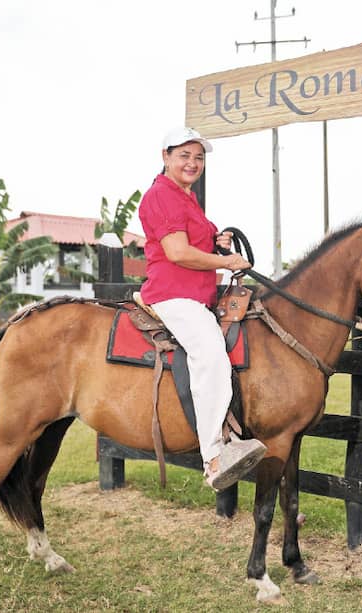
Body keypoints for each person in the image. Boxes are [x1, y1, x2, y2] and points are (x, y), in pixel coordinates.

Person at [138, 126, 266, 491]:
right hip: (173, 294)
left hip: (197, 294)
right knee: (210, 355)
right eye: (184, 156)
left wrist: (216, 239)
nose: (192, 163)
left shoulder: (185, 197)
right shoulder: (160, 196)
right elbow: (177, 252)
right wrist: (224, 261)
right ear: (165, 157)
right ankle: (212, 456)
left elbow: (192, 240)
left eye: (199, 157)